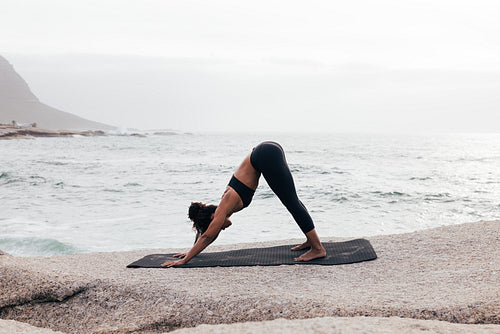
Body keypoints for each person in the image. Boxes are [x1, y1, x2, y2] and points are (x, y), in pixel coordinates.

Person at [162, 141, 326, 267]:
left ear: (213, 217)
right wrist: (191, 252)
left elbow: (208, 236)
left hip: (265, 154)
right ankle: (311, 241)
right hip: (266, 151)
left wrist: (184, 261)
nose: (221, 228)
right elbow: (207, 235)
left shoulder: (225, 204)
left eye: (217, 225)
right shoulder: (225, 208)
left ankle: (317, 249)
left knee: (291, 202)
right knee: (292, 200)